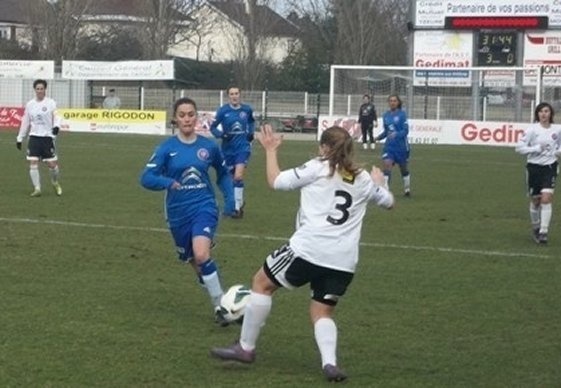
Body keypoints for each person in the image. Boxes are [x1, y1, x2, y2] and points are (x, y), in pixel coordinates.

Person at [211, 124, 394, 382]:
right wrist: (381, 183)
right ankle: (330, 364)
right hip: (343, 261)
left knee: (261, 283)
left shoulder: (316, 167)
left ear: (324, 148)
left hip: (309, 249)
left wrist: (271, 150)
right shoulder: (363, 178)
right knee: (322, 311)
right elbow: (389, 202)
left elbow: (275, 181)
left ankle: (245, 348)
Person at [140, 97, 236, 325]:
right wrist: (166, 182)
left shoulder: (209, 146)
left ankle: (220, 306)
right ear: (175, 118)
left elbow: (223, 175)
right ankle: (216, 292)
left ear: (197, 117)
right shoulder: (166, 149)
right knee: (195, 261)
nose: (187, 119)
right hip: (176, 212)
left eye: (191, 114)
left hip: (204, 206)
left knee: (202, 254)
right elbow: (146, 177)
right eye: (182, 115)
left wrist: (231, 199)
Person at [515, 102, 561, 244]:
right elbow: (519, 148)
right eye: (541, 112)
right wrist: (535, 148)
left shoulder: (557, 130)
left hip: (550, 167)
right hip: (534, 168)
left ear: (551, 114)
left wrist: (560, 151)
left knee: (546, 199)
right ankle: (536, 227)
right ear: (537, 114)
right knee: (536, 201)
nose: (544, 114)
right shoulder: (532, 130)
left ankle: (543, 232)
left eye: (546, 111)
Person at [210, 86, 255, 218]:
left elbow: (252, 121)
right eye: (231, 94)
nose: (234, 96)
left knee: (238, 176)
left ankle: (237, 208)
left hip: (243, 148)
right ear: (228, 96)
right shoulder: (223, 111)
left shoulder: (246, 109)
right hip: (227, 149)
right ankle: (236, 204)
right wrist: (222, 135)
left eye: (236, 93)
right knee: (229, 180)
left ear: (240, 95)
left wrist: (251, 133)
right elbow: (212, 127)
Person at [16, 79, 62, 197]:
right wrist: (20, 137)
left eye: (42, 88)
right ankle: (37, 189)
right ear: (35, 90)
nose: (40, 91)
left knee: (52, 165)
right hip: (34, 137)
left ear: (45, 89)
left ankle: (55, 181)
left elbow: (57, 116)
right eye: (38, 89)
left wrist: (56, 126)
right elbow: (25, 121)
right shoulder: (30, 104)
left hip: (47, 137)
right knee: (33, 162)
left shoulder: (51, 103)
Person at [376, 94, 411, 197]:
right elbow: (387, 131)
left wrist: (397, 134)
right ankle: (386, 190)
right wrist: (378, 137)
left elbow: (406, 130)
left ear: (398, 102)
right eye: (390, 101)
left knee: (403, 169)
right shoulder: (386, 115)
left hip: (401, 147)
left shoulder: (402, 115)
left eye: (394, 101)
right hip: (389, 146)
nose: (392, 102)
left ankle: (407, 189)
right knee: (387, 165)